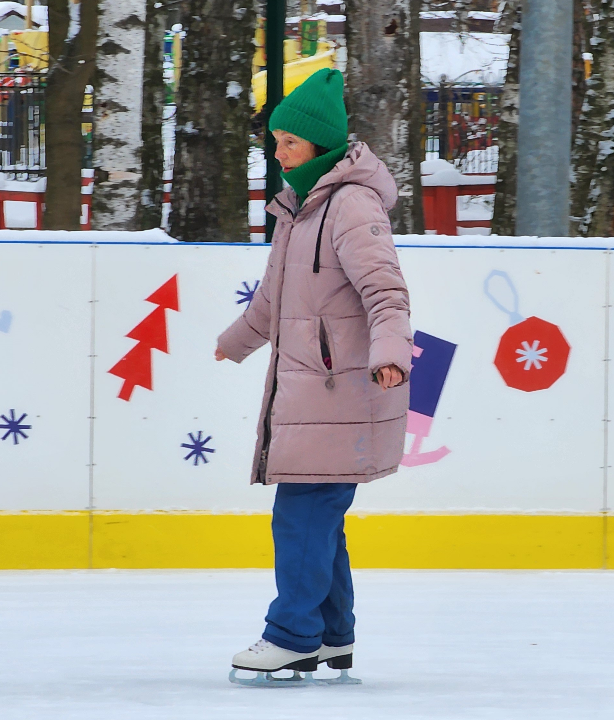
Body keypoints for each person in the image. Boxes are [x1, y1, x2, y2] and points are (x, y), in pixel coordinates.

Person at [215, 68, 412, 676]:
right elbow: (274, 302)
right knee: (318, 512)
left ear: (320, 145)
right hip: (309, 389)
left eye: (289, 142)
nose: (278, 153)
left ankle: (293, 633)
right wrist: (235, 342)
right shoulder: (299, 208)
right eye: (274, 141)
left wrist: (389, 356)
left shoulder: (349, 206)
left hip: (341, 389)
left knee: (302, 512)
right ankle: (330, 633)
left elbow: (386, 292)